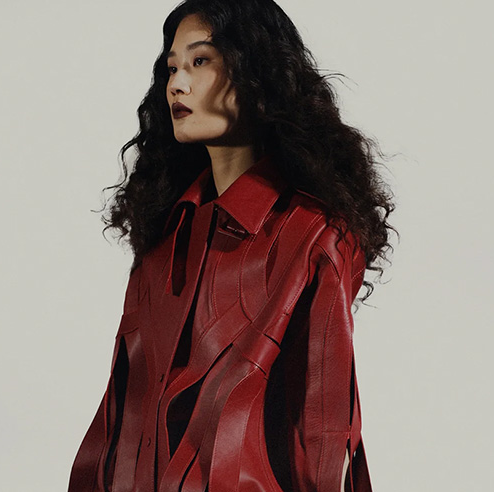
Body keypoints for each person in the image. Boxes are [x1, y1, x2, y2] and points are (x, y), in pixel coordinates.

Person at [68, 0, 396, 490]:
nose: (177, 84)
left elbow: (325, 436)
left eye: (200, 61)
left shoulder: (315, 236)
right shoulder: (164, 238)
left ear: (257, 72)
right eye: (171, 68)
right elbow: (121, 415)